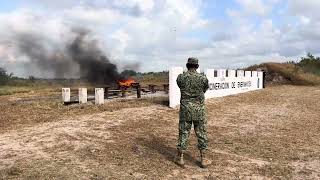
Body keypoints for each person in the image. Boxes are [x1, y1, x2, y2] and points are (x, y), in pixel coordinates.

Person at [175, 57, 211, 168]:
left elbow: (180, 86)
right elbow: (205, 89)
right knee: (202, 133)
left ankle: (180, 158)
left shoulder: (181, 77)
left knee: (184, 132)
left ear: (187, 65)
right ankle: (204, 159)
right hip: (199, 110)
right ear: (197, 66)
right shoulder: (203, 78)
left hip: (185, 110)